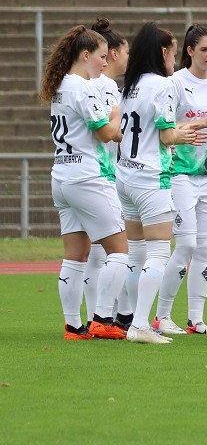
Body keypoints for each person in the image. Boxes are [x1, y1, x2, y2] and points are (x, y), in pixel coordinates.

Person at [117, 21, 205, 344]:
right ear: (164, 52)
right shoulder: (163, 86)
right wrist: (184, 134)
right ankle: (140, 325)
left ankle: (128, 318)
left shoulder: (130, 85)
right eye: (173, 50)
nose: (175, 59)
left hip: (125, 176)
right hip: (150, 177)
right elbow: (167, 134)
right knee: (158, 254)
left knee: (136, 255)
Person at [41, 25, 129, 341]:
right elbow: (107, 133)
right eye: (102, 57)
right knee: (120, 251)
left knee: (75, 255)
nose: (105, 64)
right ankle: (103, 318)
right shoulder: (83, 88)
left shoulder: (61, 86)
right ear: (86, 54)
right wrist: (117, 114)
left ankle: (73, 326)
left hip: (62, 177)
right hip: (87, 178)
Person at [153, 24, 207, 336]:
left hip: (206, 174)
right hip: (179, 173)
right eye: (205, 50)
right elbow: (168, 130)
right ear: (189, 51)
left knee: (203, 248)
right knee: (185, 243)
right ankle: (161, 315)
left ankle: (196, 320)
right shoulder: (175, 82)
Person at [83, 18, 132, 329]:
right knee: (110, 250)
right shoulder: (104, 86)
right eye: (125, 52)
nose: (128, 58)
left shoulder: (92, 84)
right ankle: (105, 316)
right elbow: (112, 132)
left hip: (96, 172)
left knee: (96, 251)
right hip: (101, 174)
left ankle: (97, 316)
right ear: (113, 53)